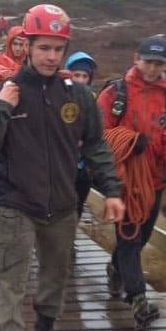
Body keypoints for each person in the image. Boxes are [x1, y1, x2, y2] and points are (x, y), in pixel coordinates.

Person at [0, 4, 125, 331]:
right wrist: (2, 107)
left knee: (55, 276)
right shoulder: (1, 91)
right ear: (27, 46)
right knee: (7, 281)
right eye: (43, 47)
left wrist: (111, 190)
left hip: (61, 206)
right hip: (14, 204)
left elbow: (95, 145)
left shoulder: (77, 95)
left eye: (58, 48)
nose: (51, 56)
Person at [95, 35, 166, 330]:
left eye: (158, 64)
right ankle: (139, 301)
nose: (152, 69)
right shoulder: (115, 93)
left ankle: (114, 269)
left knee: (140, 238)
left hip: (154, 181)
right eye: (148, 61)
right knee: (129, 240)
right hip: (122, 180)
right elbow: (97, 133)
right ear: (137, 58)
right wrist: (129, 143)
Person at [65, 51, 99, 219]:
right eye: (76, 74)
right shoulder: (59, 96)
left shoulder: (94, 101)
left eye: (85, 76)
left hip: (84, 166)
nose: (80, 80)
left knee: (77, 206)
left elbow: (97, 133)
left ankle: (70, 241)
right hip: (62, 165)